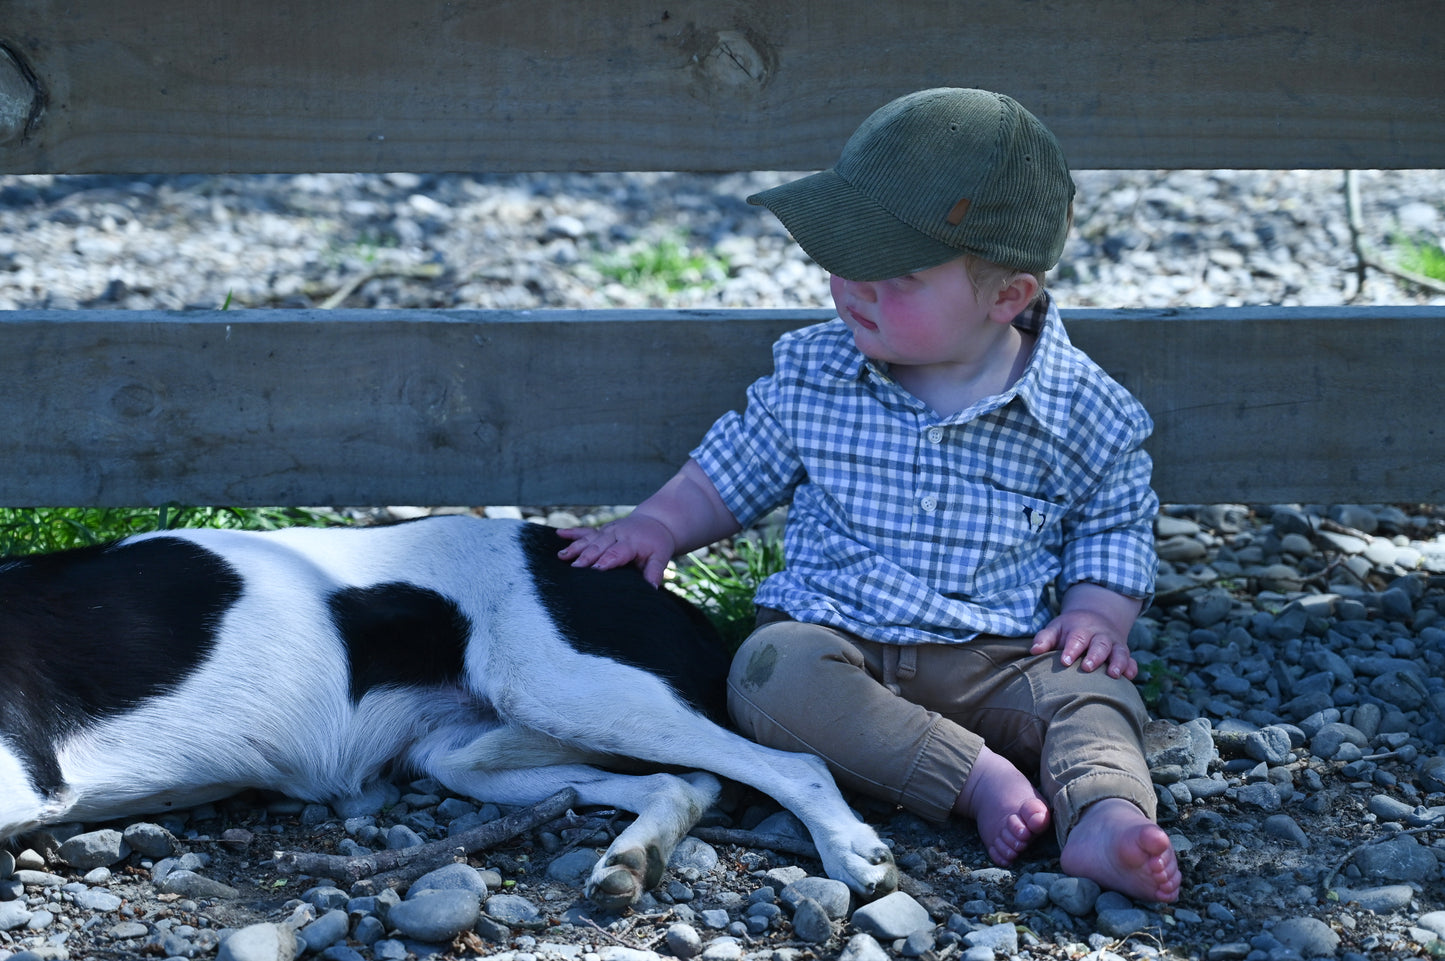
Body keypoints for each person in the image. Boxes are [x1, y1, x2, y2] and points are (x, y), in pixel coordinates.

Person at [557, 87, 1181, 903]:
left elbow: (1115, 515)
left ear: (1007, 297)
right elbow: (736, 463)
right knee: (765, 674)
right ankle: (974, 779)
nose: (850, 285)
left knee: (1095, 697)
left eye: (894, 274)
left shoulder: (1080, 409)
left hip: (1002, 653)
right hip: (835, 638)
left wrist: (1097, 614)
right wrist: (658, 525)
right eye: (840, 257)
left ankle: (1102, 814)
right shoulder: (819, 369)